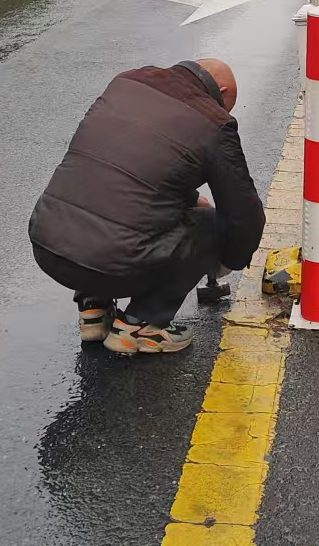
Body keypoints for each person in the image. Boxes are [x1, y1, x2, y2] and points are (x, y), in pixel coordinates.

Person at [29, 59, 265, 355]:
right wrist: (229, 258)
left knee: (102, 205)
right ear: (222, 91)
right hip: (111, 265)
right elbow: (243, 215)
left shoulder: (127, 82)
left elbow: (128, 168)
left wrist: (189, 198)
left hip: (48, 246)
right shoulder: (213, 122)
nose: (225, 111)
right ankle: (142, 326)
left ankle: (94, 310)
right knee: (207, 222)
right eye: (227, 105)